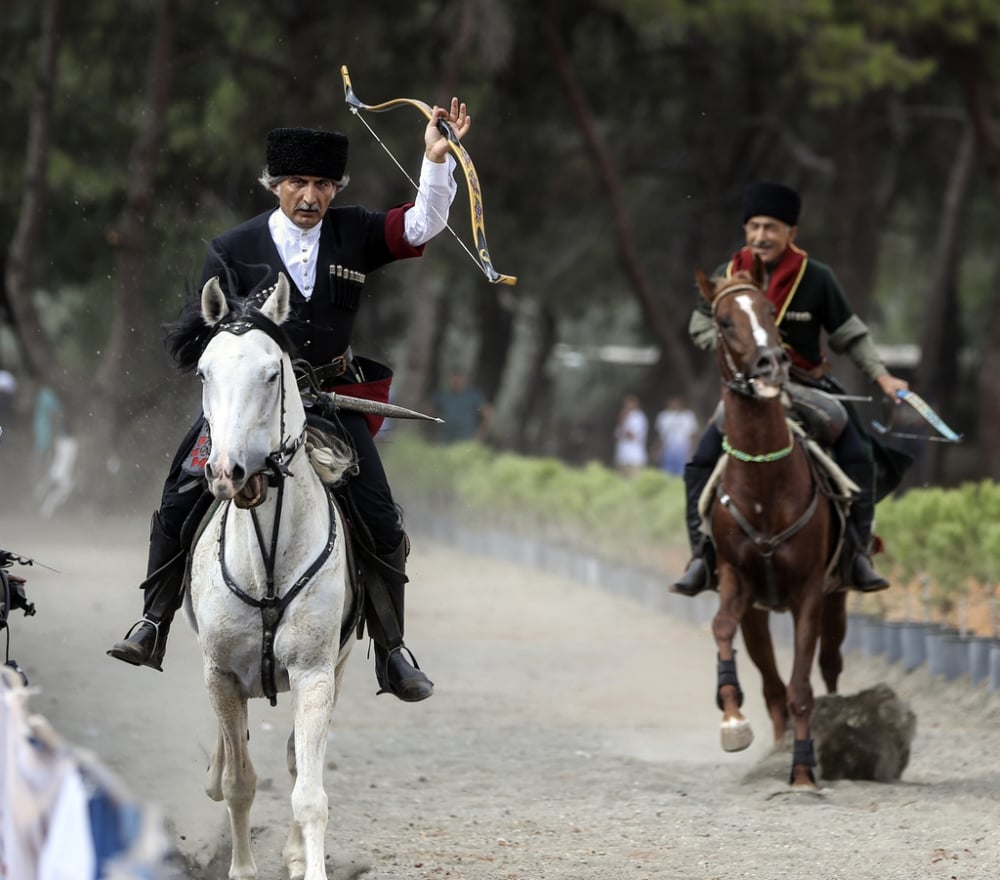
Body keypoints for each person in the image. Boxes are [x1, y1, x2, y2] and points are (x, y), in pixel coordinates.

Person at [109, 100, 474, 704]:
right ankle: (153, 623)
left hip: (331, 403)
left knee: (382, 519)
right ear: (275, 184)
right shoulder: (232, 246)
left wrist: (435, 161)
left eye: (324, 184)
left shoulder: (356, 230)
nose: (311, 195)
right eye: (298, 183)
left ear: (336, 189)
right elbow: (206, 334)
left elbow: (420, 225)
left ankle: (391, 649)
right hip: (247, 407)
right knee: (179, 495)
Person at [672, 181, 908, 597]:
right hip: (747, 393)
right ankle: (702, 557)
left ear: (791, 234)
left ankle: (856, 555)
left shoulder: (817, 278)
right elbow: (698, 325)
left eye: (772, 227)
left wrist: (883, 376)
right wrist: (734, 348)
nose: (761, 235)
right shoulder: (725, 277)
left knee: (859, 454)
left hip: (805, 389)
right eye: (754, 226)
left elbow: (850, 335)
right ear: (745, 230)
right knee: (700, 461)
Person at [430, 370, 493, 443]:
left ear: (464, 381)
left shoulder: (473, 396)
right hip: (445, 439)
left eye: (459, 381)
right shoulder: (442, 395)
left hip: (466, 439)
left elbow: (488, 414)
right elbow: (429, 410)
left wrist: (480, 435)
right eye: (454, 381)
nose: (456, 383)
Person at [652, 396, 698, 476]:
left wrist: (692, 450)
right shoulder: (664, 416)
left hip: (683, 450)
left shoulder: (687, 416)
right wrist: (656, 449)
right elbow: (661, 436)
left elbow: (692, 435)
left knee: (682, 473)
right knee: (666, 473)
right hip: (667, 450)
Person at [612, 393, 648, 475]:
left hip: (634, 459)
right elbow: (616, 437)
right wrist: (621, 420)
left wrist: (623, 422)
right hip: (621, 457)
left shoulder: (639, 417)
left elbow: (632, 436)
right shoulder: (623, 417)